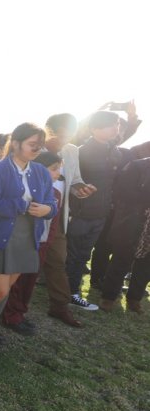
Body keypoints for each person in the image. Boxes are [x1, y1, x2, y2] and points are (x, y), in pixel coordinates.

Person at [0, 123, 56, 343]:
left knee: (8, 287)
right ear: (15, 143)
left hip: (27, 238)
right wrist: (21, 205)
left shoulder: (41, 171)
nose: (37, 150)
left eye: (40, 146)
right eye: (32, 145)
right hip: (0, 237)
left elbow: (52, 203)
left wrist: (47, 209)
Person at [40, 113, 98, 326]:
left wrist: (80, 189)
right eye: (61, 134)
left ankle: (59, 307)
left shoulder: (72, 151)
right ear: (49, 130)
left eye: (69, 134)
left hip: (57, 219)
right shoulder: (33, 147)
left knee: (57, 262)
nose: (65, 139)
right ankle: (10, 307)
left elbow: (75, 179)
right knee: (25, 263)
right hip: (32, 216)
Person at [0, 151, 65, 334]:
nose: (57, 173)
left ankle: (19, 312)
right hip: (22, 243)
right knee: (16, 281)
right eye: (53, 169)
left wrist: (47, 242)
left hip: (41, 245)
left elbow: (53, 224)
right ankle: (9, 315)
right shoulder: (26, 190)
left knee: (30, 281)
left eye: (59, 168)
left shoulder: (56, 194)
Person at [66, 111, 124, 310]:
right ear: (95, 128)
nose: (116, 128)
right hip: (81, 212)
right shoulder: (81, 151)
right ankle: (69, 293)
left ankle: (70, 291)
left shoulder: (114, 150)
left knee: (83, 256)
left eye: (117, 124)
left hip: (101, 213)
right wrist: (78, 191)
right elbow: (69, 181)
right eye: (111, 125)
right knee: (75, 254)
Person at [98, 157, 150, 313]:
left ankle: (134, 298)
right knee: (122, 258)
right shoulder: (137, 165)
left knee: (146, 264)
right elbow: (122, 191)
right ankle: (108, 296)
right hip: (133, 220)